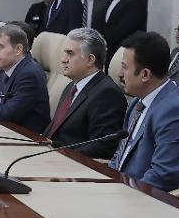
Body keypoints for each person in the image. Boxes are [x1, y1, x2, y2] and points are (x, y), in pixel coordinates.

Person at [109, 32, 179, 192]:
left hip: (147, 199)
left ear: (145, 75)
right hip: (123, 189)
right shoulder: (138, 102)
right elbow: (120, 156)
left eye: (125, 67)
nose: (119, 74)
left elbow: (161, 178)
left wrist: (118, 196)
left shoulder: (177, 113)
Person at [44, 28, 127, 158]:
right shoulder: (71, 86)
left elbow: (102, 145)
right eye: (64, 53)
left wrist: (61, 155)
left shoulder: (107, 93)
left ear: (90, 60)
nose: (63, 59)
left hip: (71, 163)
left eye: (70, 53)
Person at [97, 0, 147, 64]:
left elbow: (123, 30)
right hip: (106, 52)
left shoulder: (136, 0)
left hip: (122, 54)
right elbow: (101, 21)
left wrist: (102, 42)